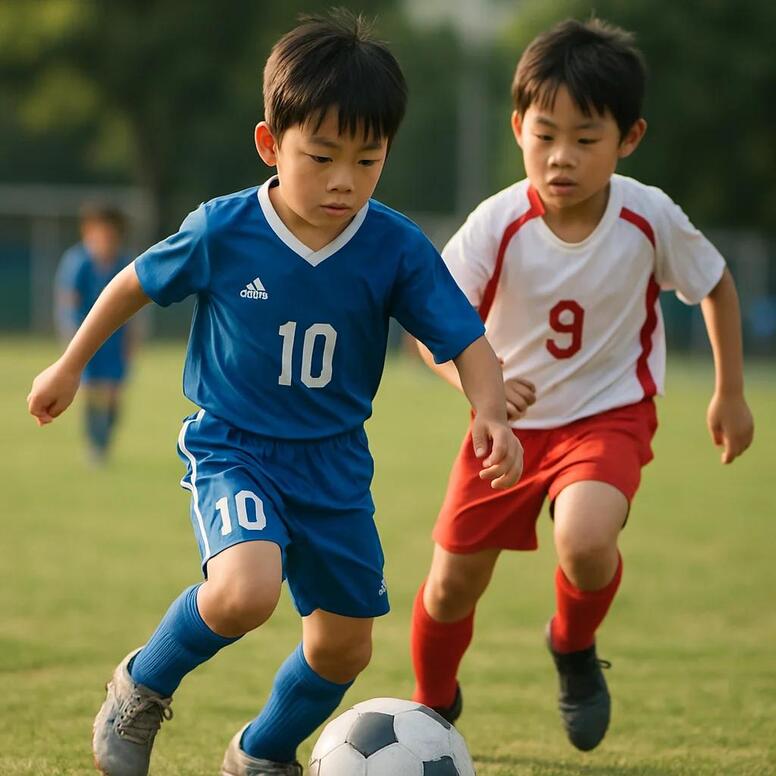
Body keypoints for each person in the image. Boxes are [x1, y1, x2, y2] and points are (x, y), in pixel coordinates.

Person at [27, 11, 522, 776]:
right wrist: (68, 365)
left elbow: (465, 339)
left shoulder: (394, 247)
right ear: (270, 144)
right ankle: (140, 686)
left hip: (334, 464)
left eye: (368, 159)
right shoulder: (223, 230)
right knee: (244, 591)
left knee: (345, 646)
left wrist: (490, 410)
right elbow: (133, 284)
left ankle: (260, 751)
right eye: (321, 156)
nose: (344, 179)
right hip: (236, 447)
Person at [409, 18, 754, 753]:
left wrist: (729, 391)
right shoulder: (497, 222)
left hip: (608, 417)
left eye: (586, 138)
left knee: (587, 540)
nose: (561, 155)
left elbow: (716, 284)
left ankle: (572, 644)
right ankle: (431, 708)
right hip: (504, 431)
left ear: (629, 138)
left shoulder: (648, 216)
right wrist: (480, 390)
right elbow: (428, 330)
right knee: (449, 587)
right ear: (518, 129)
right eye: (544, 135)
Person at [55, 204, 134, 463]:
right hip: (86, 339)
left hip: (115, 340)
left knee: (113, 393)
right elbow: (69, 302)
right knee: (88, 390)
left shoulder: (124, 262)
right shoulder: (78, 262)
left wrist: (132, 340)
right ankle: (94, 445)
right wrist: (71, 343)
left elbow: (135, 307)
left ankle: (104, 440)